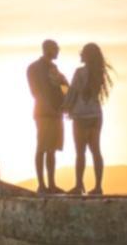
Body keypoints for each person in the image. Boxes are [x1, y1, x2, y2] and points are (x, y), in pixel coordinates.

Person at [64, 42, 112, 196]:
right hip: (96, 115)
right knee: (96, 151)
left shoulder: (79, 73)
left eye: (82, 52)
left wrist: (64, 108)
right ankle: (98, 186)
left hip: (80, 115)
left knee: (80, 152)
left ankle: (78, 185)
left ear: (87, 55)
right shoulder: (99, 73)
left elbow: (72, 93)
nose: (80, 55)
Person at [26, 40, 68, 195]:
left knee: (52, 150)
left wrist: (64, 85)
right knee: (42, 147)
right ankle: (42, 185)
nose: (58, 51)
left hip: (57, 113)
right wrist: (50, 107)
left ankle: (51, 184)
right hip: (44, 113)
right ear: (48, 49)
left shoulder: (54, 68)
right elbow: (36, 91)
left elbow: (63, 89)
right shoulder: (34, 68)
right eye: (56, 49)